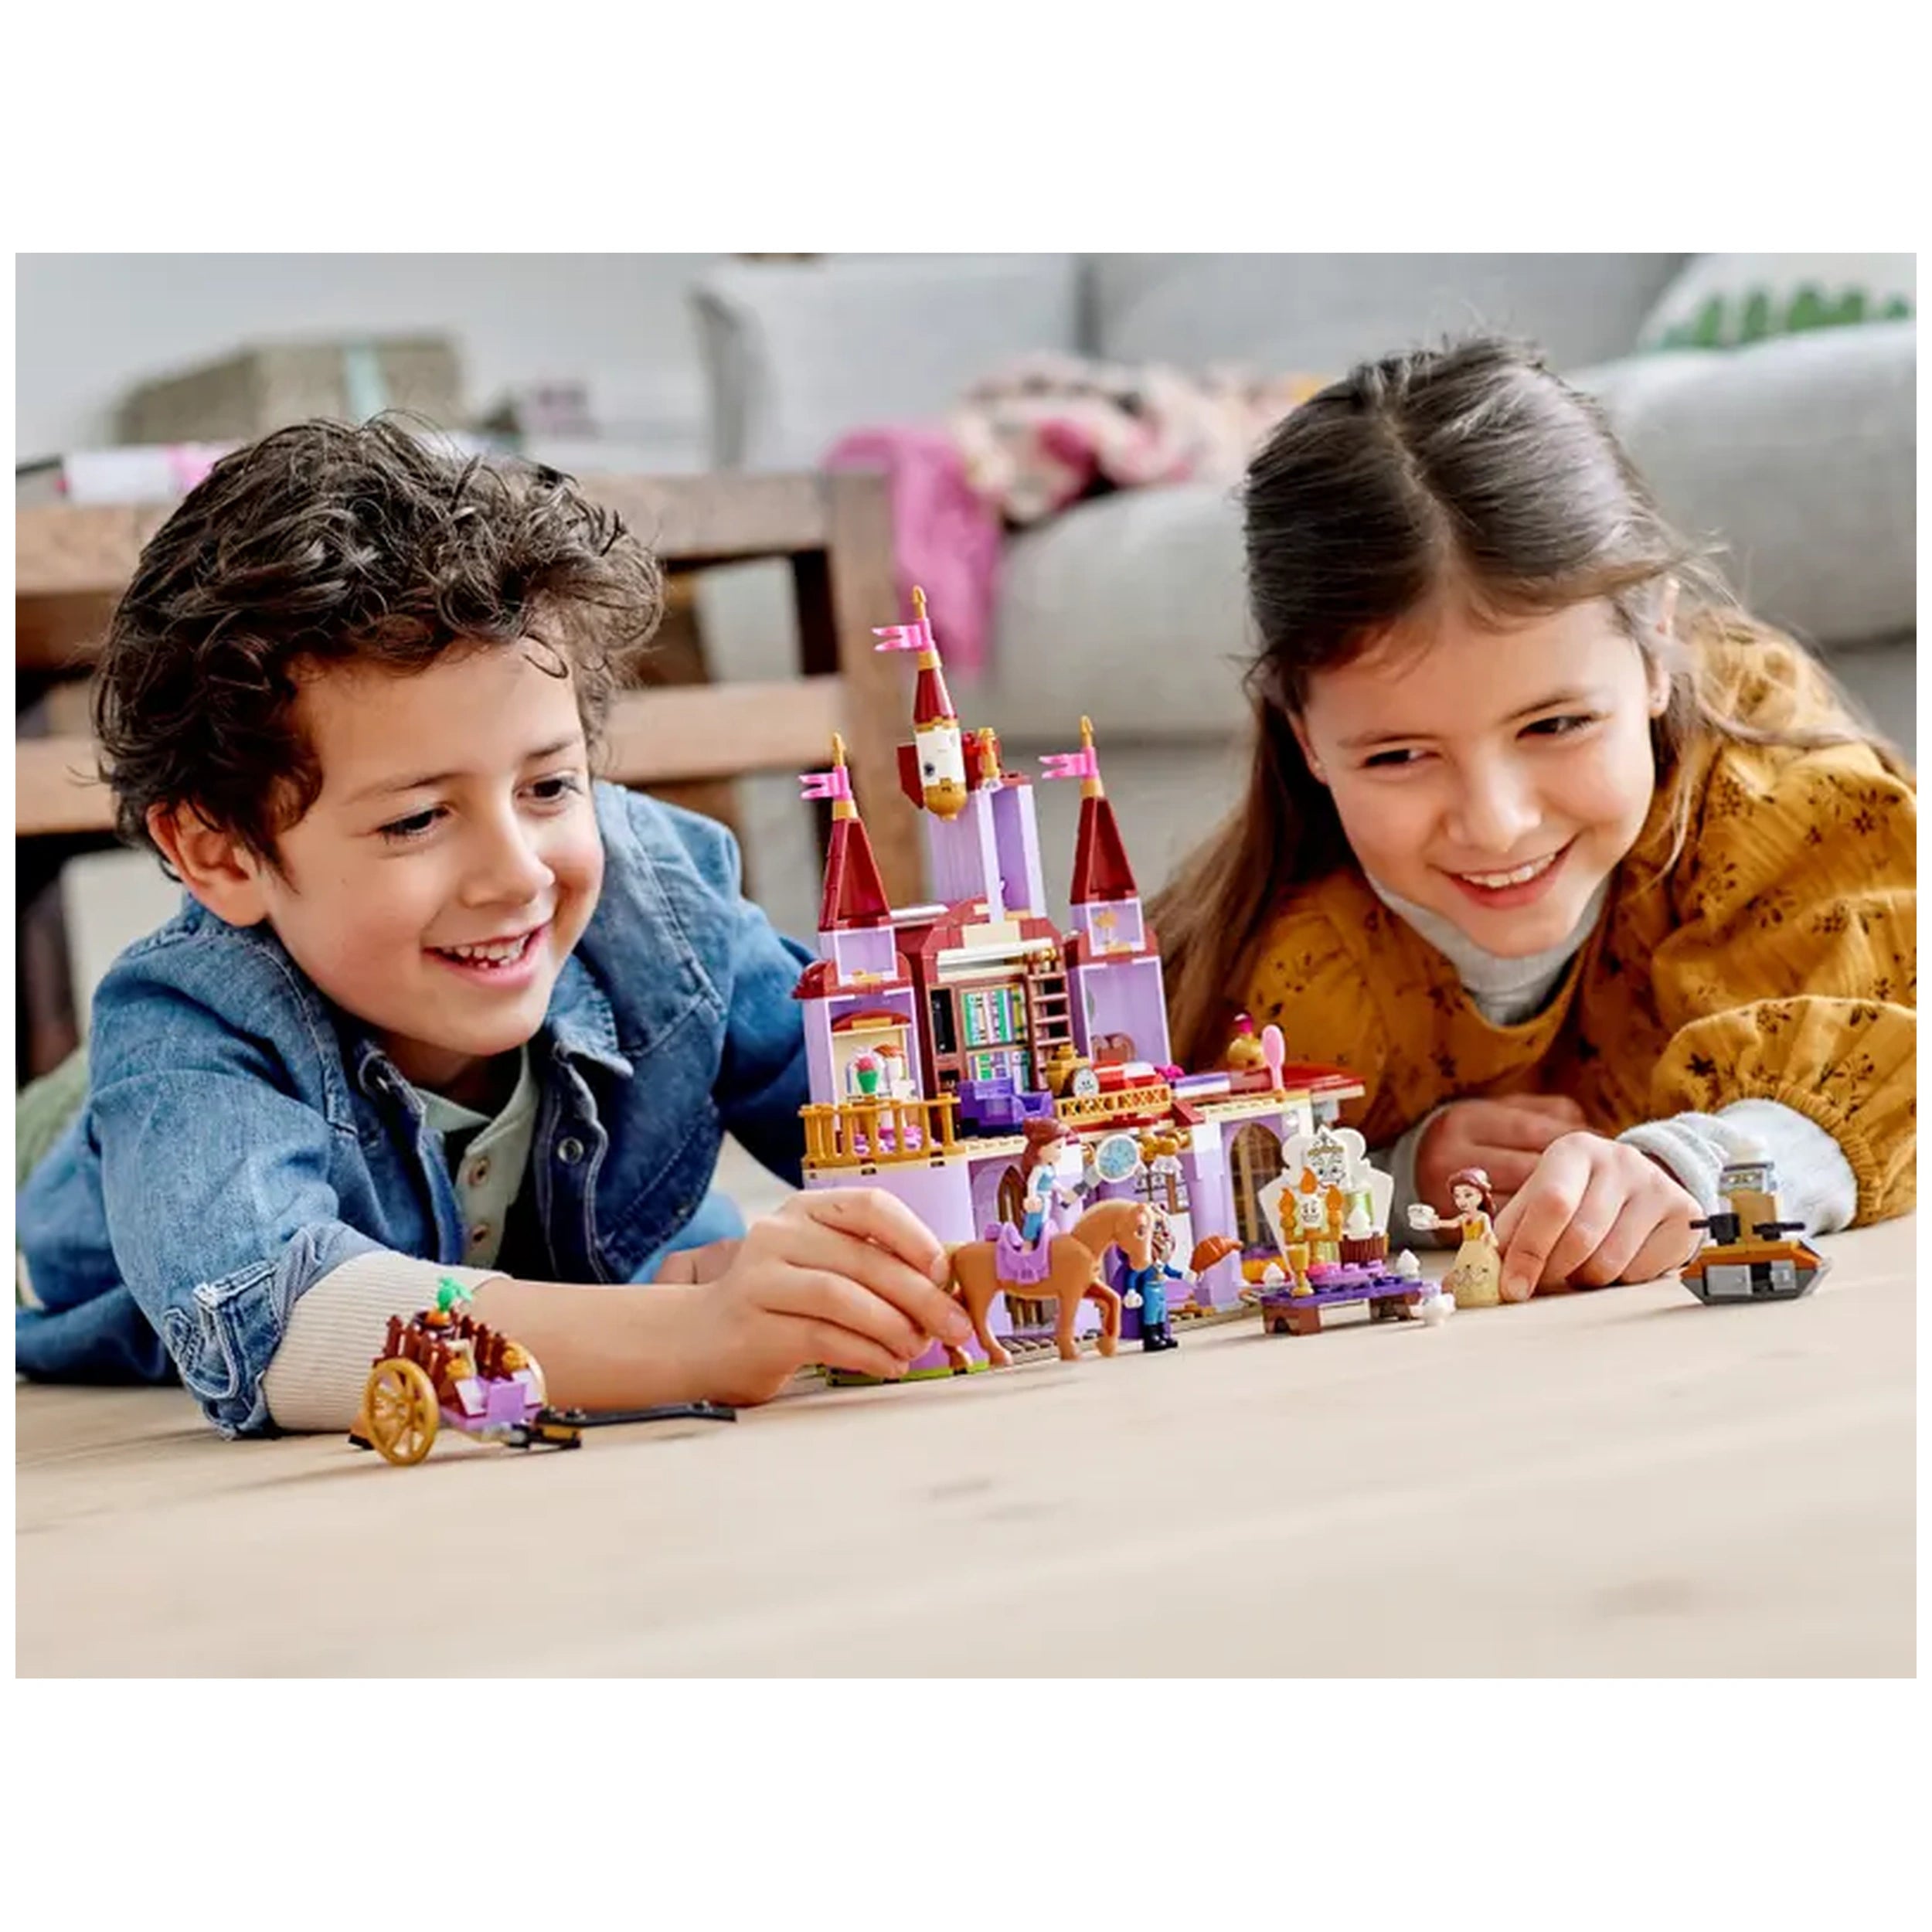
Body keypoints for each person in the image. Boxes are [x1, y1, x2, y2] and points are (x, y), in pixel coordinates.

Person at [14, 418, 971, 1436]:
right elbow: (279, 1321)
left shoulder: (658, 901)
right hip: (111, 1136)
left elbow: (881, 1093)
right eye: (418, 817)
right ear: (221, 852)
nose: (516, 873)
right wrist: (694, 1334)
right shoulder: (190, 1025)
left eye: (551, 784)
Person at [1154, 338, 1913, 1303]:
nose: (1498, 824)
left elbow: (1894, 1036)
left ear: (1653, 653)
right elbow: (1178, 1184)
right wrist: (1390, 1171)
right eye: (1397, 756)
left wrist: (1701, 1164)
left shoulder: (1783, 801)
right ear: (1304, 737)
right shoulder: (1288, 965)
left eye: (1555, 724)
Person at [1406, 1167, 1503, 1308]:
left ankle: (1485, 1294)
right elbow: (1452, 1224)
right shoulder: (1463, 1217)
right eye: (1457, 1196)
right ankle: (1467, 1296)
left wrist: (1487, 1235)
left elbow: (1488, 1229)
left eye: (1468, 1195)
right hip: (1467, 1247)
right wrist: (1436, 1223)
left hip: (1481, 1247)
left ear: (1481, 1195)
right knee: (1463, 1273)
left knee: (1481, 1272)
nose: (1462, 1201)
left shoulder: (1483, 1216)